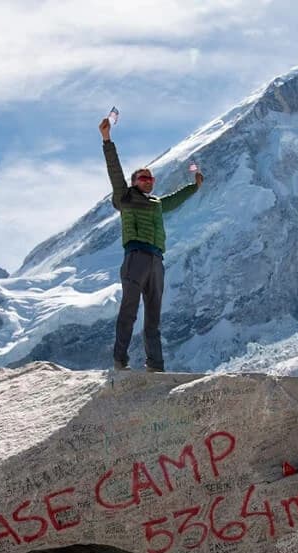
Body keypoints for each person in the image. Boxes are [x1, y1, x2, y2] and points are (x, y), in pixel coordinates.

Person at [100, 116, 203, 372]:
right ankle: (120, 360)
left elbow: (174, 199)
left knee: (153, 318)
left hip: (157, 261)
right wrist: (106, 140)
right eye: (143, 178)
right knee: (130, 311)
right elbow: (114, 171)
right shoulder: (125, 197)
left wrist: (194, 187)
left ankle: (155, 365)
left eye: (151, 179)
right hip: (136, 256)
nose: (148, 181)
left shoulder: (156, 204)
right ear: (134, 182)